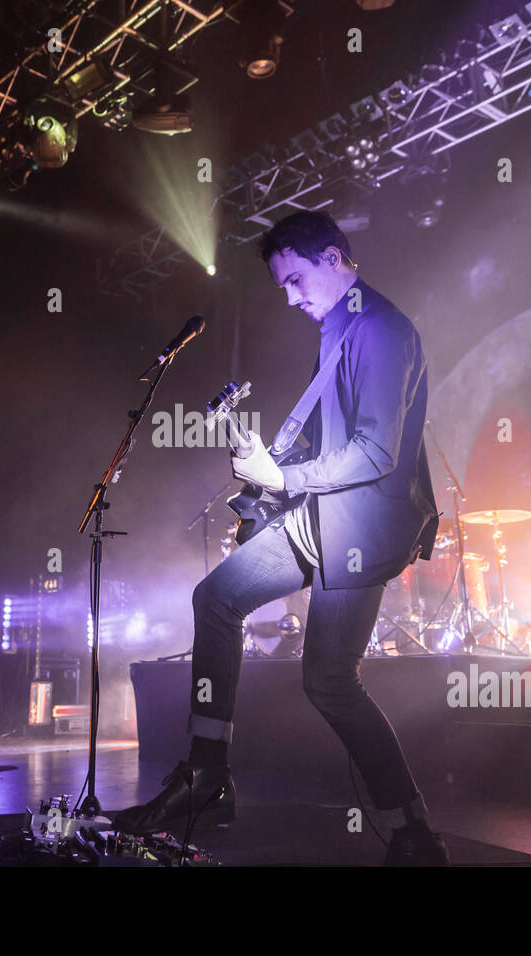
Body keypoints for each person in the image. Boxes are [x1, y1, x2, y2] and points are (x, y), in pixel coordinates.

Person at [113, 211, 446, 865]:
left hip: (362, 528)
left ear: (332, 259)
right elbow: (326, 439)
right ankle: (207, 777)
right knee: (216, 599)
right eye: (282, 287)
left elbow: (376, 452)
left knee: (330, 682)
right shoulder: (339, 329)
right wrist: (268, 479)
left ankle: (414, 832)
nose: (290, 299)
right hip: (319, 516)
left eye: (295, 280)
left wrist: (282, 476)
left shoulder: (381, 330)